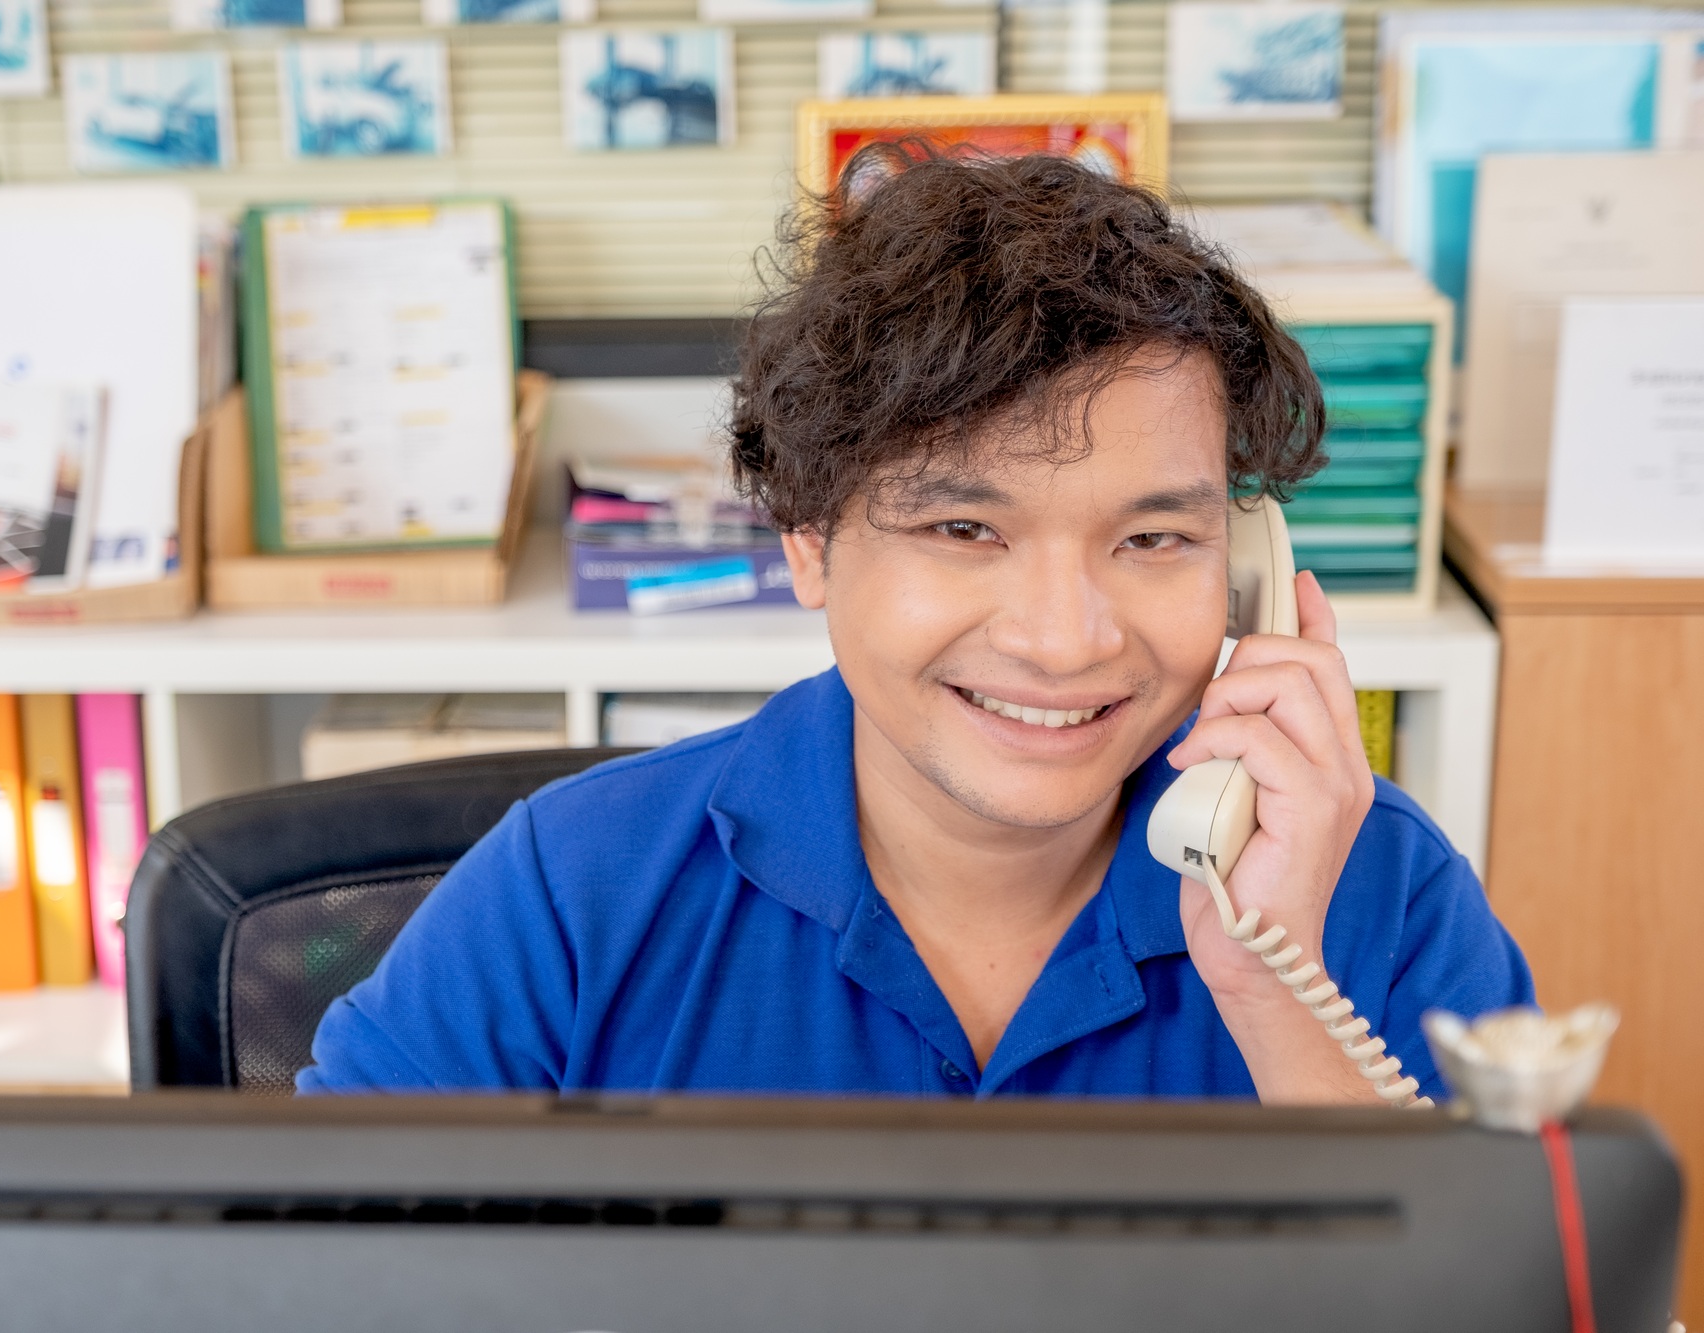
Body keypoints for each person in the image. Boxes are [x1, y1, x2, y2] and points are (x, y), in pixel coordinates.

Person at [298, 148, 1531, 1102]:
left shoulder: (1378, 893)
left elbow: (1536, 1295)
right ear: (807, 541)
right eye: (963, 531)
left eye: (1151, 538)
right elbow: (301, 1278)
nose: (1063, 640)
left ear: (1247, 567)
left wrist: (1270, 986)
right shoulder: (567, 895)